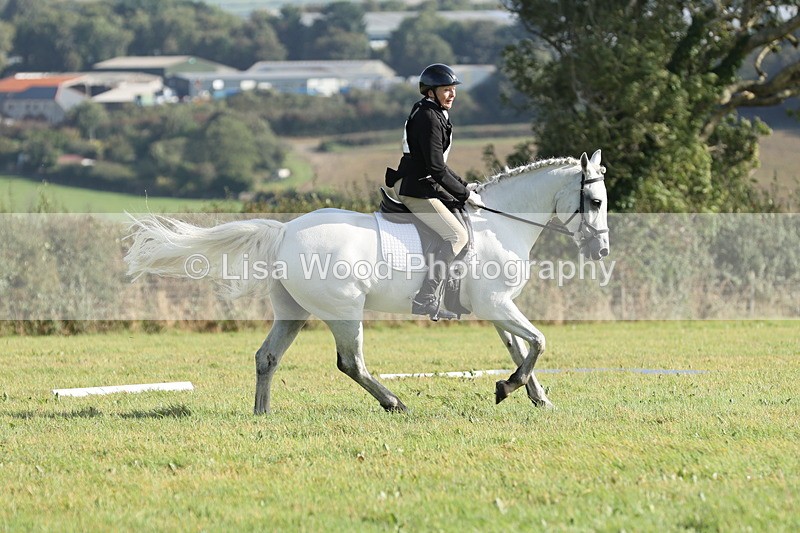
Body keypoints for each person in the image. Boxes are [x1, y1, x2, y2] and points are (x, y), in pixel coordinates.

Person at [385, 63, 485, 320]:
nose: (451, 95)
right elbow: (436, 168)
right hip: (414, 187)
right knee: (456, 236)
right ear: (430, 91)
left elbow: (441, 166)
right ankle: (426, 297)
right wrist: (466, 195)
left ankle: (450, 291)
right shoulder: (429, 118)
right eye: (446, 90)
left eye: (453, 90)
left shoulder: (434, 112)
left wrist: (464, 187)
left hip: (423, 183)